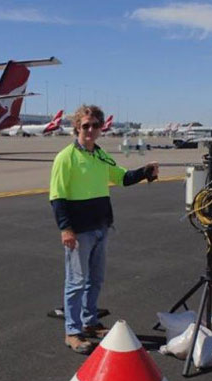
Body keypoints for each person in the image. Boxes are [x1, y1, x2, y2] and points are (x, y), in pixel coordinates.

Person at [49, 105, 159, 354]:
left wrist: (144, 171)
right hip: (79, 231)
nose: (90, 130)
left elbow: (122, 177)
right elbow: (57, 196)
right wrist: (66, 229)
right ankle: (72, 332)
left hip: (100, 227)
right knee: (76, 282)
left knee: (95, 280)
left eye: (95, 125)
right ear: (77, 127)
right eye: (85, 125)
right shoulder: (66, 157)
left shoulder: (100, 155)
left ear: (101, 128)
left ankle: (90, 323)